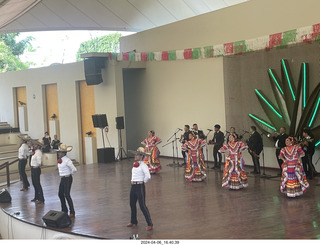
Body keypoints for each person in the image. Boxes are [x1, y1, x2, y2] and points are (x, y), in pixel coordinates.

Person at [127, 147, 153, 231]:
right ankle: (133, 221)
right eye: (135, 154)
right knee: (132, 204)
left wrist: (142, 182)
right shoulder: (135, 164)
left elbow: (148, 176)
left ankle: (149, 223)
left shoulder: (143, 165)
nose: (135, 156)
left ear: (141, 156)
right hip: (133, 186)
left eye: (137, 154)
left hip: (139, 186)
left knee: (142, 206)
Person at [57, 144, 77, 218]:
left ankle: (72, 211)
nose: (59, 153)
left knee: (67, 194)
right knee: (60, 194)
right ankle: (64, 209)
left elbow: (74, 169)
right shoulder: (61, 160)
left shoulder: (67, 160)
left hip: (67, 178)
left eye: (60, 152)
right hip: (62, 178)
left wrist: (69, 174)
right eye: (59, 152)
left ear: (64, 153)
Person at [30, 139, 45, 204]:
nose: (34, 145)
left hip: (36, 169)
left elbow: (39, 162)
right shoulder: (35, 152)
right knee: (34, 183)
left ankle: (41, 198)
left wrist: (39, 163)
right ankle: (36, 197)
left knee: (37, 183)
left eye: (35, 144)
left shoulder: (38, 152)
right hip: (33, 168)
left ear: (38, 146)